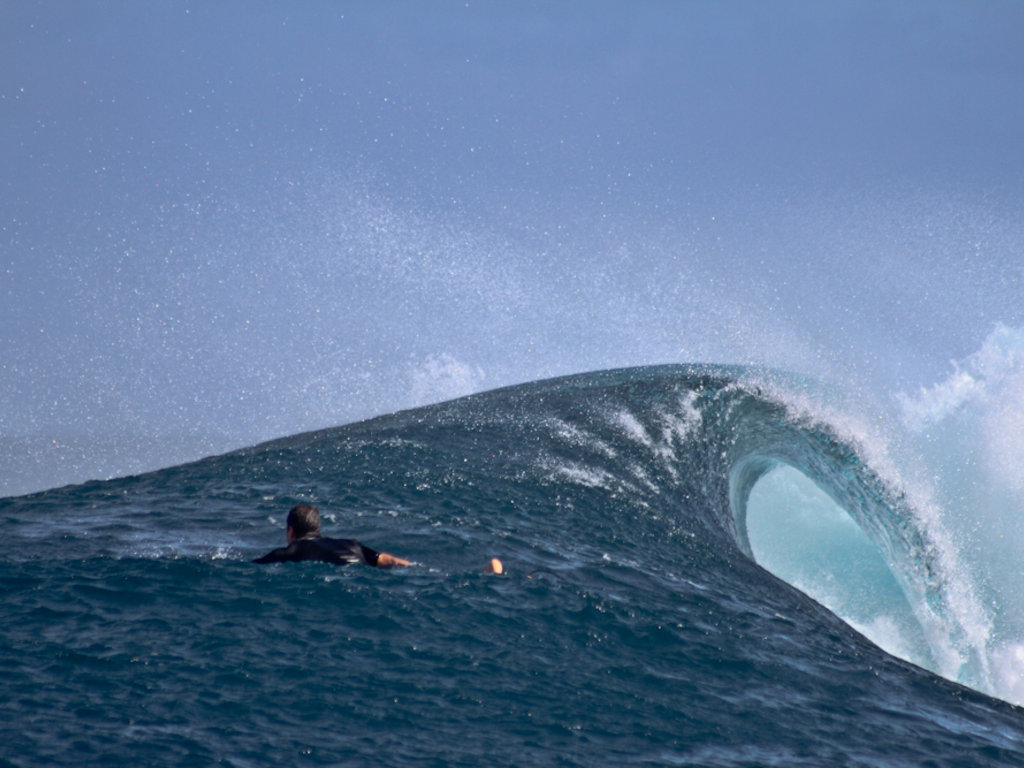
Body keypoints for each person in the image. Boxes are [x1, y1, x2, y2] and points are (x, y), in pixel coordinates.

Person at [253, 504, 411, 568]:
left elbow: (251, 568)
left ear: (291, 532)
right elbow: (388, 560)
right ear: (317, 527)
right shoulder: (352, 544)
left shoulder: (288, 553)